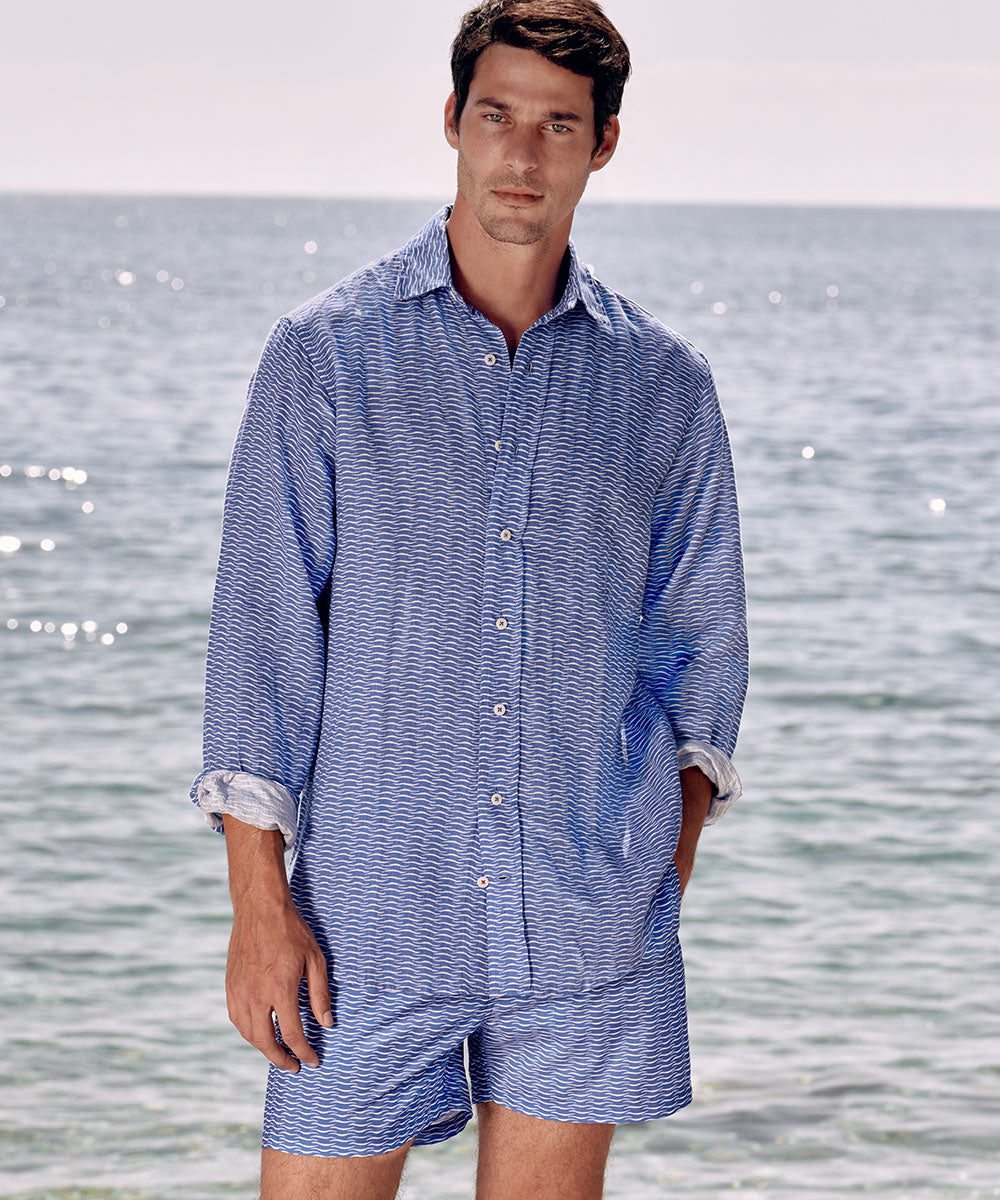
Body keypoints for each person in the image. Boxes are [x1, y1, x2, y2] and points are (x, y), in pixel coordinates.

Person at [189, 1, 749, 1196]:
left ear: (603, 144)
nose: (521, 153)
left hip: (586, 930)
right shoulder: (324, 356)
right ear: (451, 120)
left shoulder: (662, 386)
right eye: (497, 116)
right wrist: (258, 907)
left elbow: (697, 650)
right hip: (364, 924)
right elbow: (261, 644)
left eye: (559, 126)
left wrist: (663, 862)